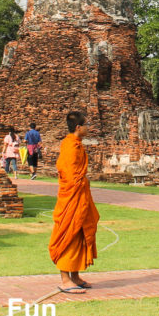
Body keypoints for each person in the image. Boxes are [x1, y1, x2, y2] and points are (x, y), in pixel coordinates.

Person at [48, 111, 99, 291]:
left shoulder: (77, 145)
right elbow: (68, 173)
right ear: (78, 127)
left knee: (80, 233)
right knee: (69, 234)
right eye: (86, 124)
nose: (88, 128)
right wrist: (80, 183)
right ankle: (64, 279)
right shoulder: (70, 146)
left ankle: (75, 276)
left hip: (80, 195)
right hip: (71, 197)